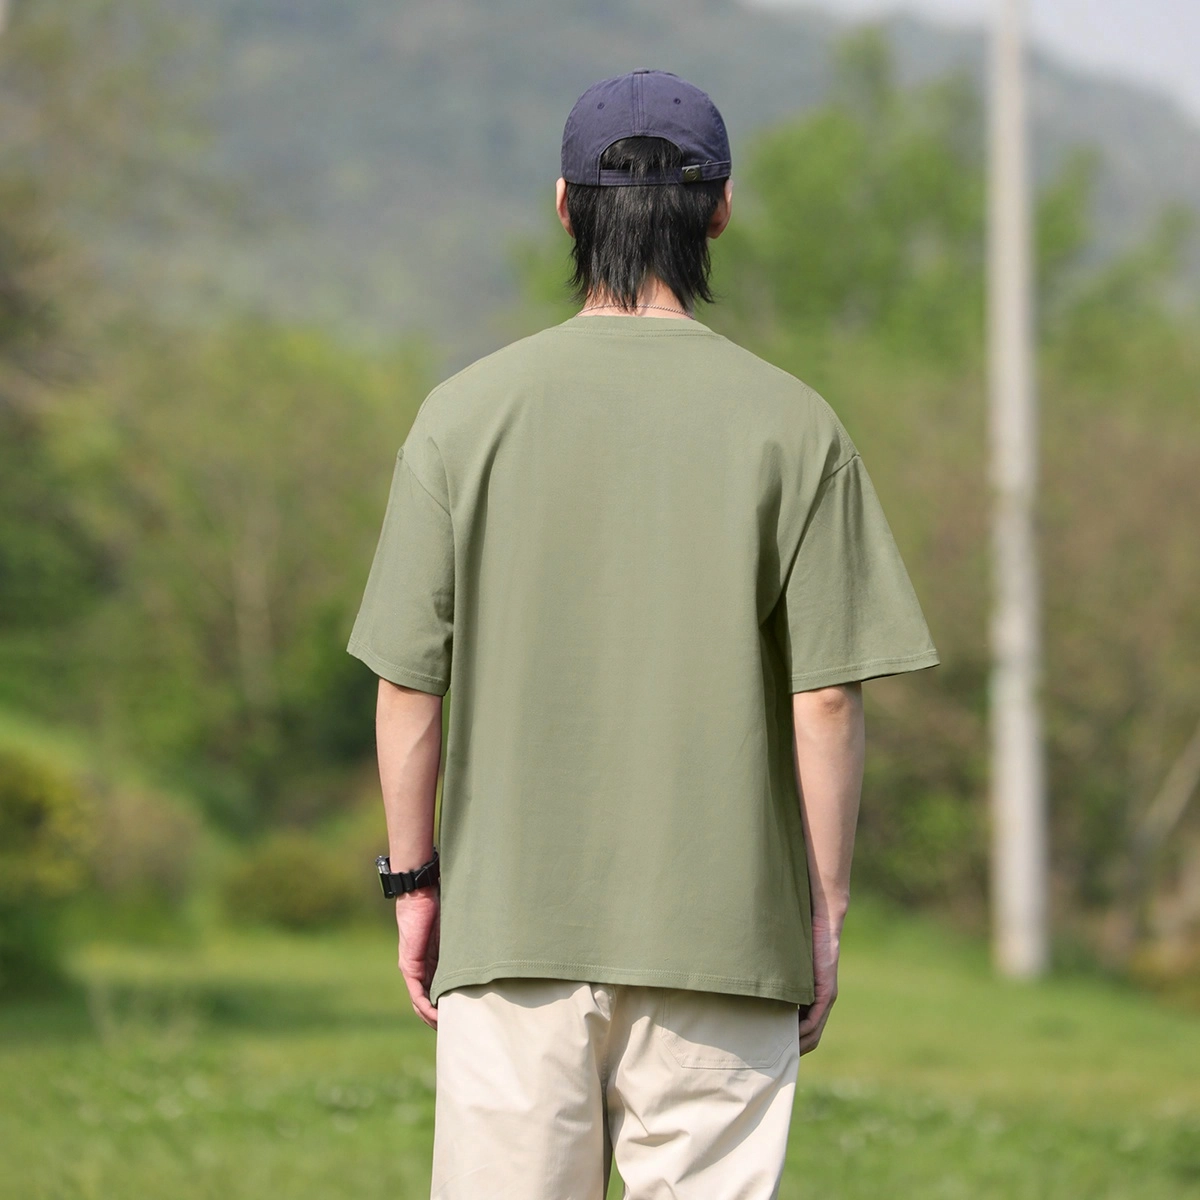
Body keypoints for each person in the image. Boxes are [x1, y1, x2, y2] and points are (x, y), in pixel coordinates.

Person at [346, 68, 939, 1200]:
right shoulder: (796, 424)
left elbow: (409, 685)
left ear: (565, 207)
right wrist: (823, 911)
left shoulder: (461, 417)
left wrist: (414, 884)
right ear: (721, 211)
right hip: (726, 943)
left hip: (511, 941)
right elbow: (826, 696)